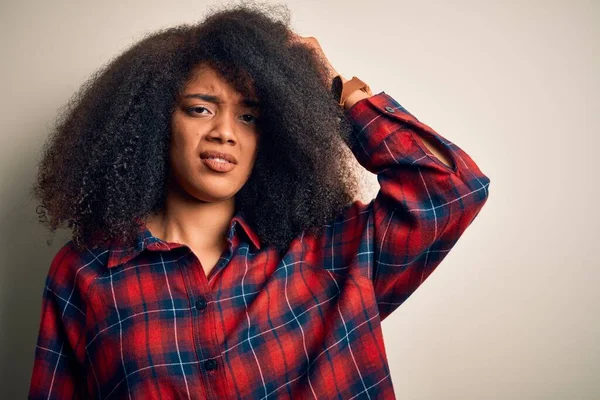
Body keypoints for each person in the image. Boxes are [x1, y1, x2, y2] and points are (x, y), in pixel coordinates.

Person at [28, 3, 490, 399]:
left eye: (249, 116)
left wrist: (337, 92)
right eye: (200, 108)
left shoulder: (330, 250)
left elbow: (452, 189)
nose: (225, 132)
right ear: (151, 123)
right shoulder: (86, 274)